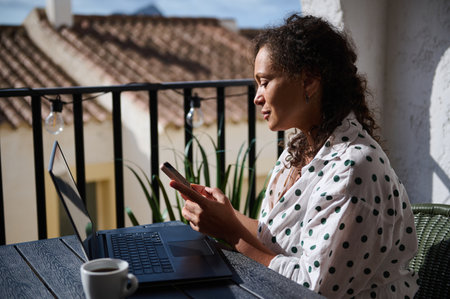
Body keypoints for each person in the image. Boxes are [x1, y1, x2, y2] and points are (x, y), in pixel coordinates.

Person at [169, 14, 418, 298]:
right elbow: (275, 240)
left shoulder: (353, 168)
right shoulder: (297, 151)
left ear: (309, 82)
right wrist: (227, 215)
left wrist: (231, 233)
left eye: (265, 81)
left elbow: (314, 290)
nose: (257, 96)